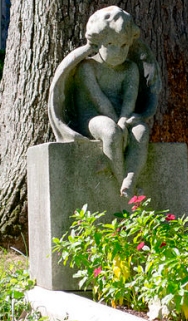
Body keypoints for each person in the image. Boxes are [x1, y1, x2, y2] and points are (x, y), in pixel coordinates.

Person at [48, 6, 160, 197]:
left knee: (141, 132)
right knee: (110, 132)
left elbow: (129, 99)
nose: (118, 52)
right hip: (93, 119)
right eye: (110, 44)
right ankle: (121, 180)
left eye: (124, 45)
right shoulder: (87, 68)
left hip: (121, 118)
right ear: (98, 43)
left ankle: (131, 178)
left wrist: (124, 120)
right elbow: (99, 101)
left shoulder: (130, 69)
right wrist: (119, 124)